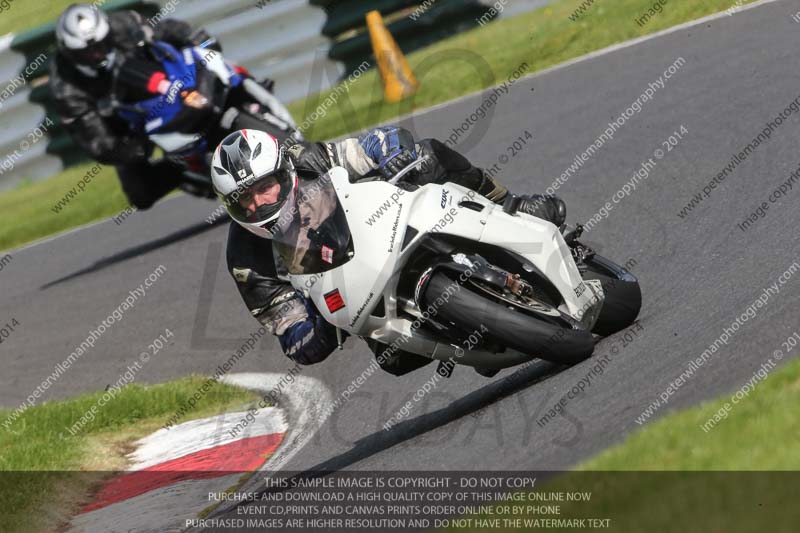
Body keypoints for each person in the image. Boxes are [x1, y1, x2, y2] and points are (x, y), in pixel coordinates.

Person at [212, 126, 566, 376]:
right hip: (359, 296)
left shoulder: (305, 159)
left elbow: (371, 144)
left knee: (428, 155)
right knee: (395, 360)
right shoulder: (245, 260)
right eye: (245, 198)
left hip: (384, 226)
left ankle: (512, 205)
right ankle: (463, 334)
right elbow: (289, 331)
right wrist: (318, 329)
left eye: (265, 187)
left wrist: (392, 153)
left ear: (283, 172)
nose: (258, 203)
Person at [50, 4, 230, 209]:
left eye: (100, 46)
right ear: (69, 53)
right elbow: (96, 140)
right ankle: (185, 170)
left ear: (107, 34)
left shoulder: (125, 23)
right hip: (129, 123)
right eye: (86, 53)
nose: (96, 55)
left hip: (171, 81)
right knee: (140, 193)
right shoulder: (65, 88)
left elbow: (165, 30)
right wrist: (133, 147)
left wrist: (196, 39)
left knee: (209, 64)